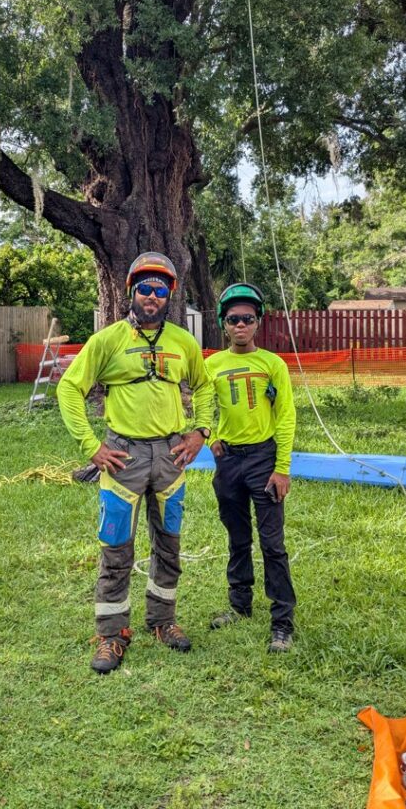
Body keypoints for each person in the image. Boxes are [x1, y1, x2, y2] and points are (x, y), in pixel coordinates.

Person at [57, 252, 214, 674]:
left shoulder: (183, 342)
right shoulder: (107, 341)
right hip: (122, 457)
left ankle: (163, 621)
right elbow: (70, 389)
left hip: (170, 456)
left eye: (160, 289)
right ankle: (111, 634)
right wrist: (91, 446)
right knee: (116, 546)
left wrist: (201, 432)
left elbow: (204, 386)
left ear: (169, 297)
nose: (151, 296)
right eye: (144, 288)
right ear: (131, 292)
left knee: (169, 542)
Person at [206, 283, 297, 653]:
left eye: (247, 318)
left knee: (272, 544)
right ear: (223, 324)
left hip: (263, 459)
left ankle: (282, 622)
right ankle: (240, 605)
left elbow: (286, 416)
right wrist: (209, 435)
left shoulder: (272, 364)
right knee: (237, 537)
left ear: (257, 322)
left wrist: (282, 468)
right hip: (228, 461)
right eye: (233, 319)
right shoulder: (211, 365)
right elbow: (199, 404)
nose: (240, 325)